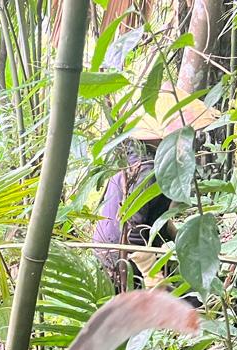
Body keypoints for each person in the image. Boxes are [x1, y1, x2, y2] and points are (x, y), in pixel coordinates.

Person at [93, 89, 219, 291]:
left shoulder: (134, 162)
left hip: (112, 249)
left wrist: (186, 245)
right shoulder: (147, 172)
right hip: (121, 256)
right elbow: (133, 230)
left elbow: (154, 217)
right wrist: (154, 278)